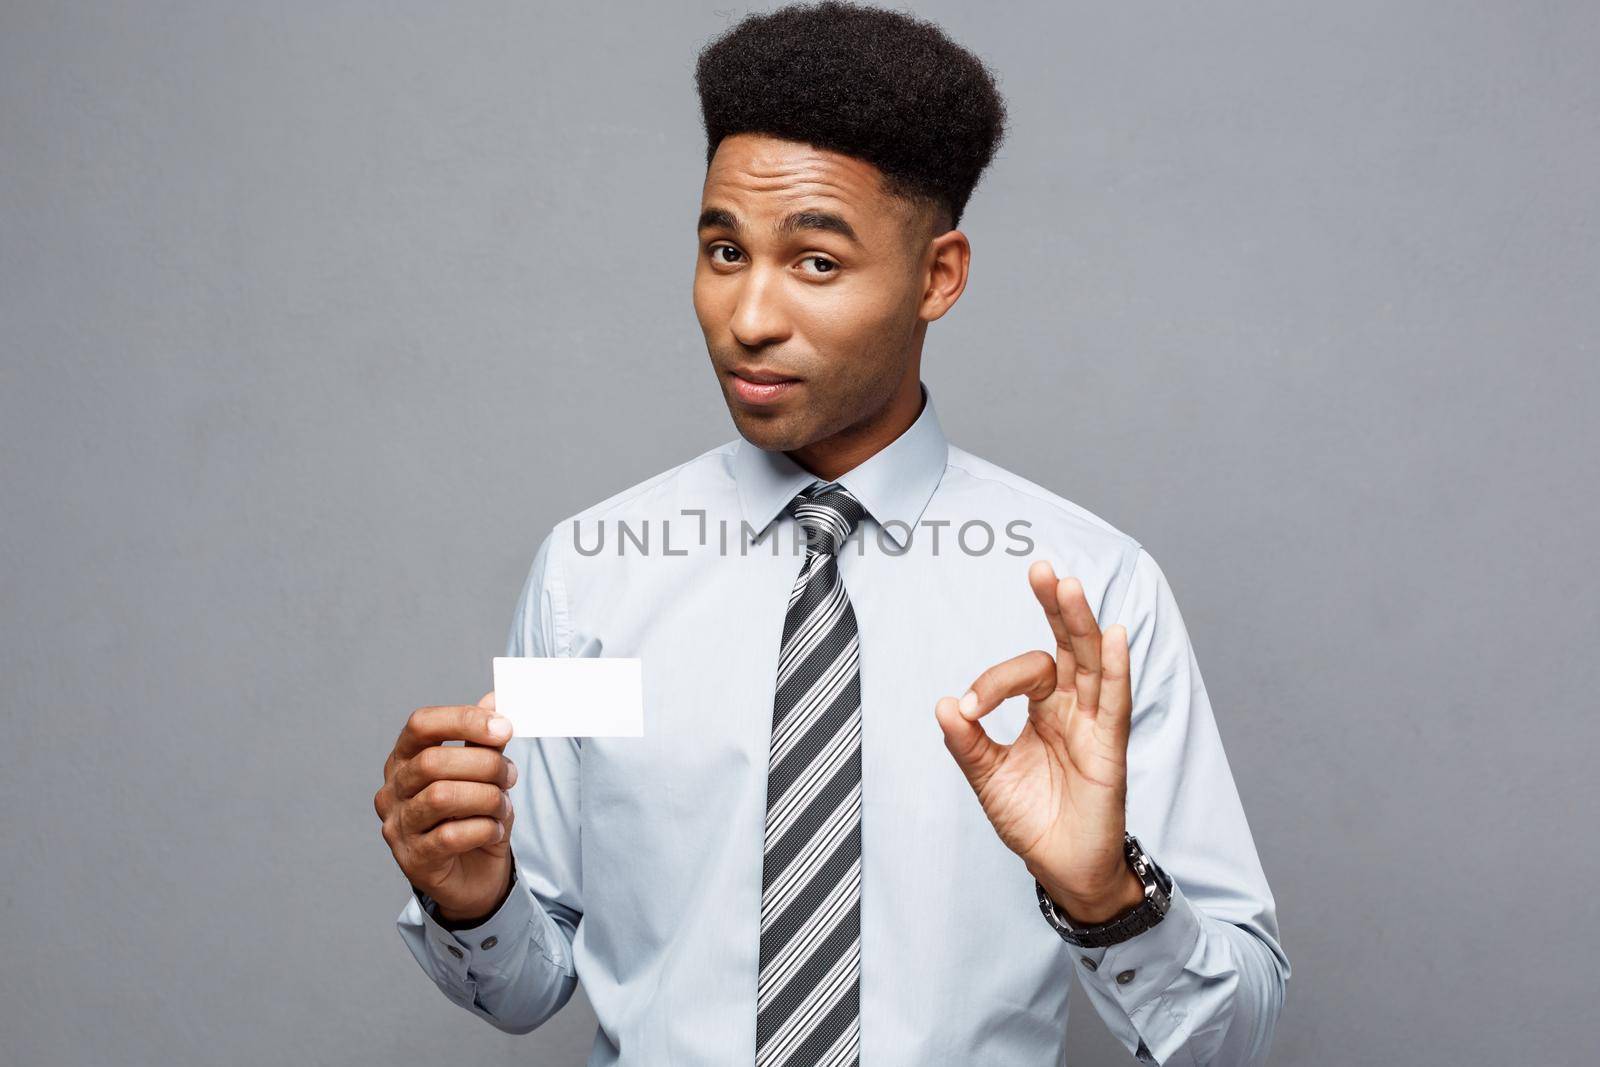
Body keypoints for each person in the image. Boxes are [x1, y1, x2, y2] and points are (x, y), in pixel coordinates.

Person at [373, 2, 1289, 1063]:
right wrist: (469, 896)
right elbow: (529, 979)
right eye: (723, 249)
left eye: (815, 262)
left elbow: (1235, 1033)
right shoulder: (590, 582)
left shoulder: (1093, 596)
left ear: (937, 275)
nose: (749, 314)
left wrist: (1105, 897)